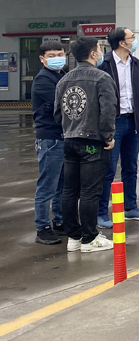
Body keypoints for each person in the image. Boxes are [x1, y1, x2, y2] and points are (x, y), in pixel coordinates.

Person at [54, 37, 117, 253]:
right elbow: (108, 110)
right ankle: (90, 238)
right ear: (93, 53)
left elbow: (57, 113)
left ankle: (74, 237)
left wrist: (69, 129)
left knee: (70, 190)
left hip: (69, 140)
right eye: (99, 50)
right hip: (93, 142)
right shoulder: (102, 78)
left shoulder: (64, 80)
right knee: (91, 191)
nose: (100, 53)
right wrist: (107, 136)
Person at [97, 27, 139, 228]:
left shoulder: (136, 64)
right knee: (108, 169)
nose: (134, 40)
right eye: (132, 38)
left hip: (133, 121)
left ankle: (130, 207)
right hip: (114, 122)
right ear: (122, 42)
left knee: (131, 167)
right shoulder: (104, 64)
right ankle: (101, 212)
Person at [31, 40, 67, 245]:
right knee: (48, 185)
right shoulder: (43, 80)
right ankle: (42, 227)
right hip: (50, 139)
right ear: (42, 58)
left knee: (62, 184)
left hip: (63, 137)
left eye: (60, 54)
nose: (57, 59)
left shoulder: (61, 75)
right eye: (52, 56)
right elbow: (62, 104)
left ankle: (60, 222)